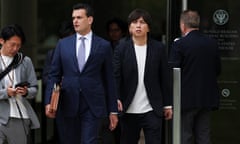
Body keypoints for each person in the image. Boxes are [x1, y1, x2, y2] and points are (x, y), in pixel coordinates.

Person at [44, 3, 118, 144]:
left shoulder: (103, 45)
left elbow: (109, 79)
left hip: (93, 104)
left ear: (89, 20)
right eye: (73, 18)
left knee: (89, 141)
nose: (75, 21)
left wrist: (113, 110)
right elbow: (54, 75)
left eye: (79, 17)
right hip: (67, 102)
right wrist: (49, 101)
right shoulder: (63, 44)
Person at [113, 9, 173, 144]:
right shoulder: (121, 48)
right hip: (128, 108)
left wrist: (167, 104)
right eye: (134, 22)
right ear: (129, 28)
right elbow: (116, 76)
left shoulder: (158, 48)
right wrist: (116, 97)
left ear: (148, 28)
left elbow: (164, 77)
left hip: (152, 108)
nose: (138, 25)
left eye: (142, 22)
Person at [169, 10, 221, 144]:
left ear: (182, 25)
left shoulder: (179, 44)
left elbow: (173, 71)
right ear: (198, 24)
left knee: (185, 136)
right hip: (206, 98)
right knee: (204, 136)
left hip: (185, 99)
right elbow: (218, 69)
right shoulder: (212, 43)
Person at [0, 24, 40, 144]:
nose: (15, 48)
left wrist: (26, 91)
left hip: (18, 116)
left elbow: (34, 87)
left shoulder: (25, 61)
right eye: (12, 44)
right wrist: (5, 93)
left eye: (19, 45)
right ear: (2, 41)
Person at [42, 21, 75, 144]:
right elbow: (47, 77)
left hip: (82, 100)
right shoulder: (53, 53)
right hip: (61, 101)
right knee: (64, 136)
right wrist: (59, 83)